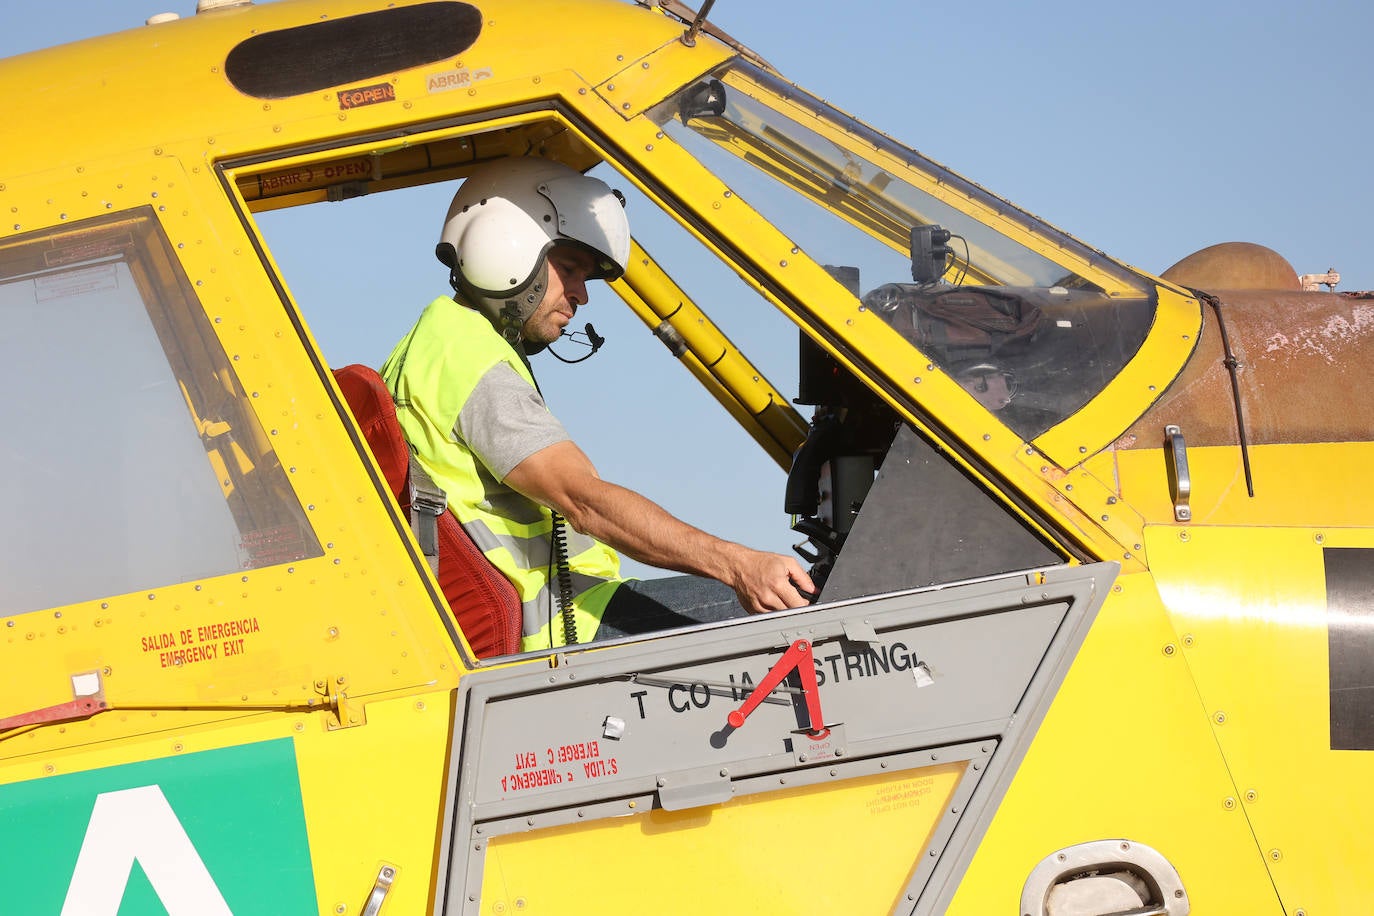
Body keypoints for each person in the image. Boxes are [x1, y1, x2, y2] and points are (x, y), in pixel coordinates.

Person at [382, 157, 814, 652]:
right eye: (569, 268)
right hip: (564, 627)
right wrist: (740, 565)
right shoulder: (465, 354)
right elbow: (583, 501)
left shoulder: (436, 344)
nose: (581, 296)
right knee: (812, 615)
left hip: (565, 614)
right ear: (502, 246)